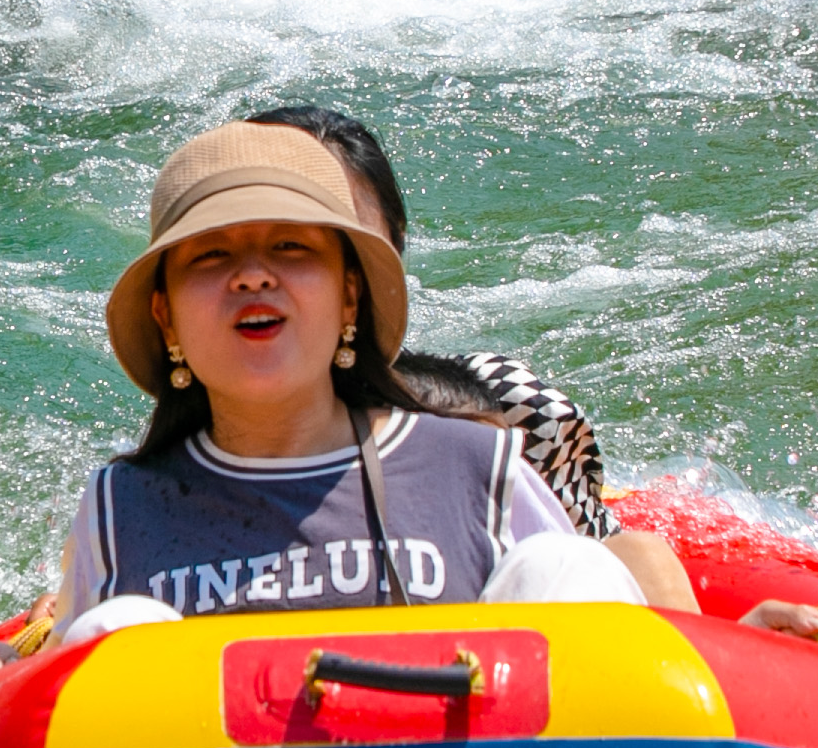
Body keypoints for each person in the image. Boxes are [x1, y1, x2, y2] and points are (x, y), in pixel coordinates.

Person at [52, 123, 650, 638]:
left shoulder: (476, 465)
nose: (253, 277)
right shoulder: (116, 505)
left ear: (349, 296)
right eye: (210, 255)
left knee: (568, 570)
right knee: (116, 630)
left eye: (291, 246)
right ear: (166, 317)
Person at [239, 94, 703, 615]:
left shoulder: (502, 410)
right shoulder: (191, 452)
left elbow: (604, 567)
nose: (267, 277)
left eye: (325, 243)